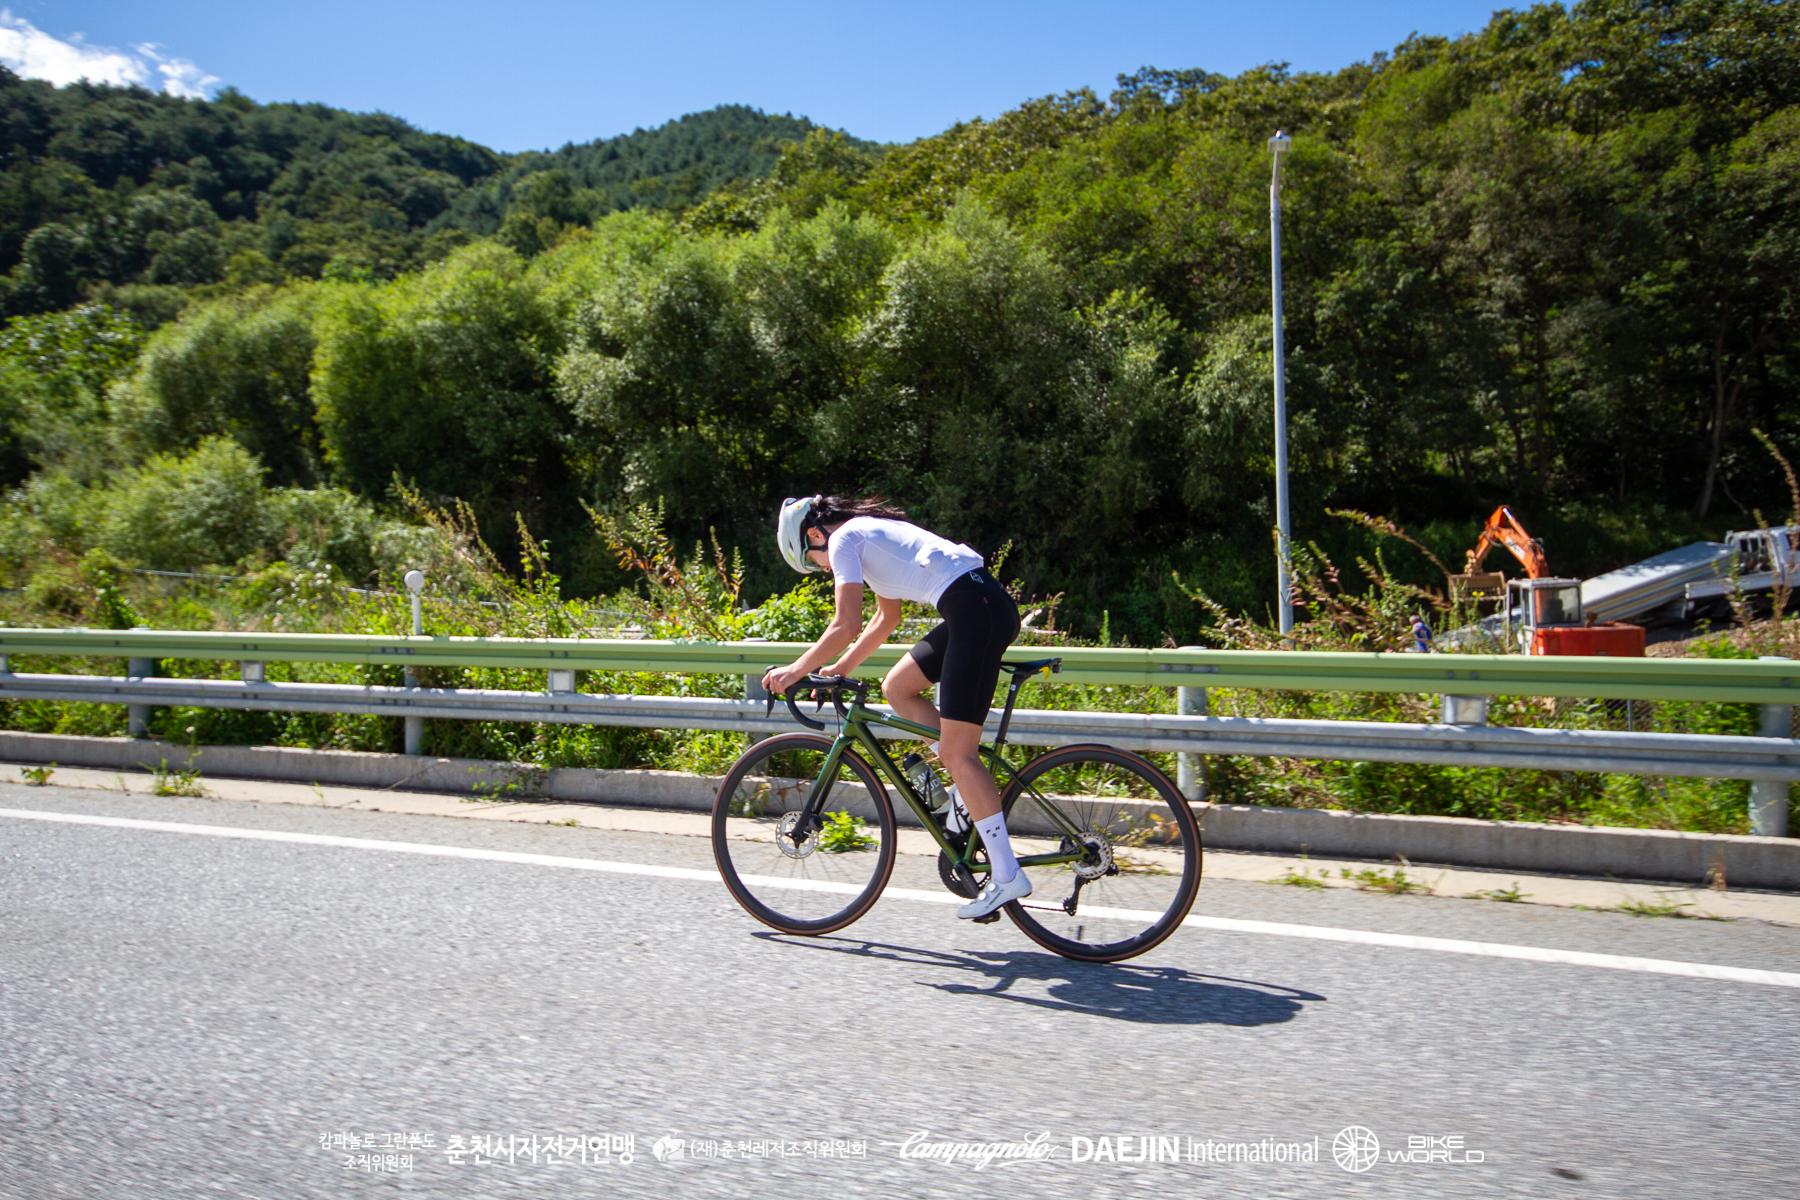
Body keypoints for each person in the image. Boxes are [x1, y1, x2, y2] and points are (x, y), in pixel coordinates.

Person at [763, 494, 1027, 920]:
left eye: (813, 560)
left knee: (958, 753)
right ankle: (965, 798)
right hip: (979, 605)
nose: (823, 568)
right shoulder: (866, 534)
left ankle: (1006, 873)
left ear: (815, 534)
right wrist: (841, 668)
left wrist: (795, 670)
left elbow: (845, 623)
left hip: (975, 612)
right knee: (898, 688)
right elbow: (886, 618)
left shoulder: (844, 539)